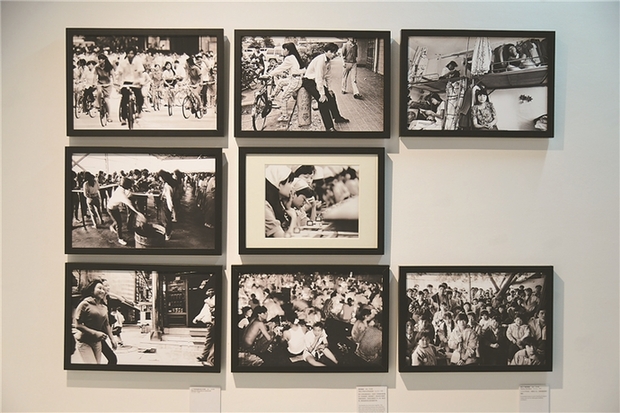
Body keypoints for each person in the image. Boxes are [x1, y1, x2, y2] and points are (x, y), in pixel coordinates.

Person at [302, 43, 349, 132]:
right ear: (327, 52)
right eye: (333, 52)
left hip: (315, 81)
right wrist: (322, 94)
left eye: (335, 52)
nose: (334, 54)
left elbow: (328, 76)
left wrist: (329, 89)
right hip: (309, 82)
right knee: (323, 101)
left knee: (331, 96)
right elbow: (319, 78)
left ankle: (337, 117)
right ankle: (329, 127)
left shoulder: (328, 61)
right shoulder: (320, 60)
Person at [73, 280, 116, 364]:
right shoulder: (84, 304)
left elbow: (106, 324)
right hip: (84, 341)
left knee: (97, 366)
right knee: (92, 365)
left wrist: (112, 339)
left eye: (104, 289)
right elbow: (77, 325)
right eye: (99, 288)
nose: (102, 291)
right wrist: (95, 333)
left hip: (97, 341)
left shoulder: (104, 307)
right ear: (92, 290)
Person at [266, 42, 305, 122]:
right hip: (294, 79)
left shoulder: (289, 58)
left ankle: (285, 116)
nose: (283, 51)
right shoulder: (294, 56)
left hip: (295, 81)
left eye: (283, 49)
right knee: (281, 82)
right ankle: (272, 97)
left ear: (287, 50)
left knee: (283, 98)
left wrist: (270, 75)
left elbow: (281, 68)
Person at [107, 177, 146, 246]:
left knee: (117, 221)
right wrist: (139, 213)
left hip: (114, 207)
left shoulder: (120, 188)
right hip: (111, 209)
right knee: (119, 224)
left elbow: (128, 193)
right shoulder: (121, 194)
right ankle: (120, 239)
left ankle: (112, 226)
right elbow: (130, 205)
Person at [265, 165, 299, 238]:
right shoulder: (265, 207)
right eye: (289, 182)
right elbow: (283, 240)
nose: (292, 187)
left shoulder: (279, 204)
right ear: (279, 184)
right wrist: (293, 217)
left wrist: (288, 208)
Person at [115, 47, 145, 125]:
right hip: (125, 82)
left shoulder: (138, 62)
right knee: (124, 99)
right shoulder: (123, 63)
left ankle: (139, 111)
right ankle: (124, 118)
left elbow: (141, 73)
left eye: (132, 53)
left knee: (140, 97)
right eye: (129, 53)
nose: (130, 55)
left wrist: (141, 82)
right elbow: (119, 74)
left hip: (136, 82)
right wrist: (118, 83)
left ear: (134, 54)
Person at [193, 287, 216, 366]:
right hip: (210, 323)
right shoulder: (207, 301)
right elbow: (203, 312)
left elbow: (213, 305)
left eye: (210, 290)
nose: (208, 292)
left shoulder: (212, 300)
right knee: (209, 340)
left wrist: (207, 301)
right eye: (208, 291)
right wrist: (197, 318)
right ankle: (206, 356)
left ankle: (206, 356)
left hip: (213, 322)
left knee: (210, 339)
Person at [95, 54, 114, 123]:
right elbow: (94, 76)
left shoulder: (109, 67)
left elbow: (113, 76)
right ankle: (99, 105)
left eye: (101, 59)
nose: (100, 60)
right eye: (99, 59)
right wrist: (93, 83)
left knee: (106, 100)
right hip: (100, 83)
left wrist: (115, 82)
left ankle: (109, 115)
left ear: (104, 60)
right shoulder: (97, 67)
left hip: (108, 84)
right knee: (99, 92)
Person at [158, 170, 176, 241]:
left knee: (166, 220)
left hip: (166, 203)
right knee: (166, 219)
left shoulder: (167, 186)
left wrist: (171, 208)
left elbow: (169, 198)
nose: (159, 179)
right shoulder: (169, 183)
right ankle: (168, 233)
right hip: (165, 202)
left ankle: (167, 235)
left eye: (160, 177)